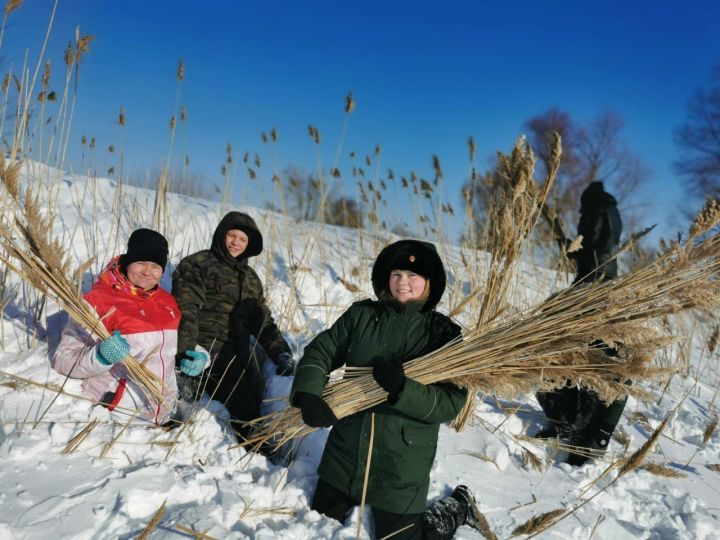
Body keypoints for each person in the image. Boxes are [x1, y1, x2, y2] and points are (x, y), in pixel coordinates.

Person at [290, 239, 482, 539]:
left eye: (413, 276)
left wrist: (402, 390)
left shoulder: (443, 335)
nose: (403, 282)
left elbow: (450, 402)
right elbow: (321, 351)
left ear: (429, 283)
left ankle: (457, 507)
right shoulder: (362, 316)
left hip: (401, 469)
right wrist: (309, 394)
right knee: (317, 524)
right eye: (397, 274)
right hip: (345, 456)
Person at [52, 228, 205, 425]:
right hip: (119, 420)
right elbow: (62, 360)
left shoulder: (168, 303)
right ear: (127, 261)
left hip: (163, 413)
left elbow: (163, 350)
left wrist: (196, 355)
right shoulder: (97, 302)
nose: (147, 272)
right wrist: (100, 356)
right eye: (141, 262)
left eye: (155, 266)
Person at [171, 211, 293, 445]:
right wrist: (186, 353)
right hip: (202, 355)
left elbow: (262, 321)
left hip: (235, 361)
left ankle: (258, 458)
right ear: (221, 234)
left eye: (243, 239)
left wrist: (280, 352)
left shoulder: (251, 279)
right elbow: (186, 310)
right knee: (195, 421)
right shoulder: (197, 265)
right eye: (232, 235)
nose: (236, 242)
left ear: (250, 245)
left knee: (248, 418)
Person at [535, 181, 628, 466]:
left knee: (555, 345)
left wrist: (573, 246)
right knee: (600, 355)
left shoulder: (597, 209)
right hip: (600, 283)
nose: (578, 211)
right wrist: (567, 243)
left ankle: (580, 430)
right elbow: (593, 247)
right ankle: (584, 429)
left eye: (580, 208)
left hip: (593, 286)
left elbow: (593, 247)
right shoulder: (609, 209)